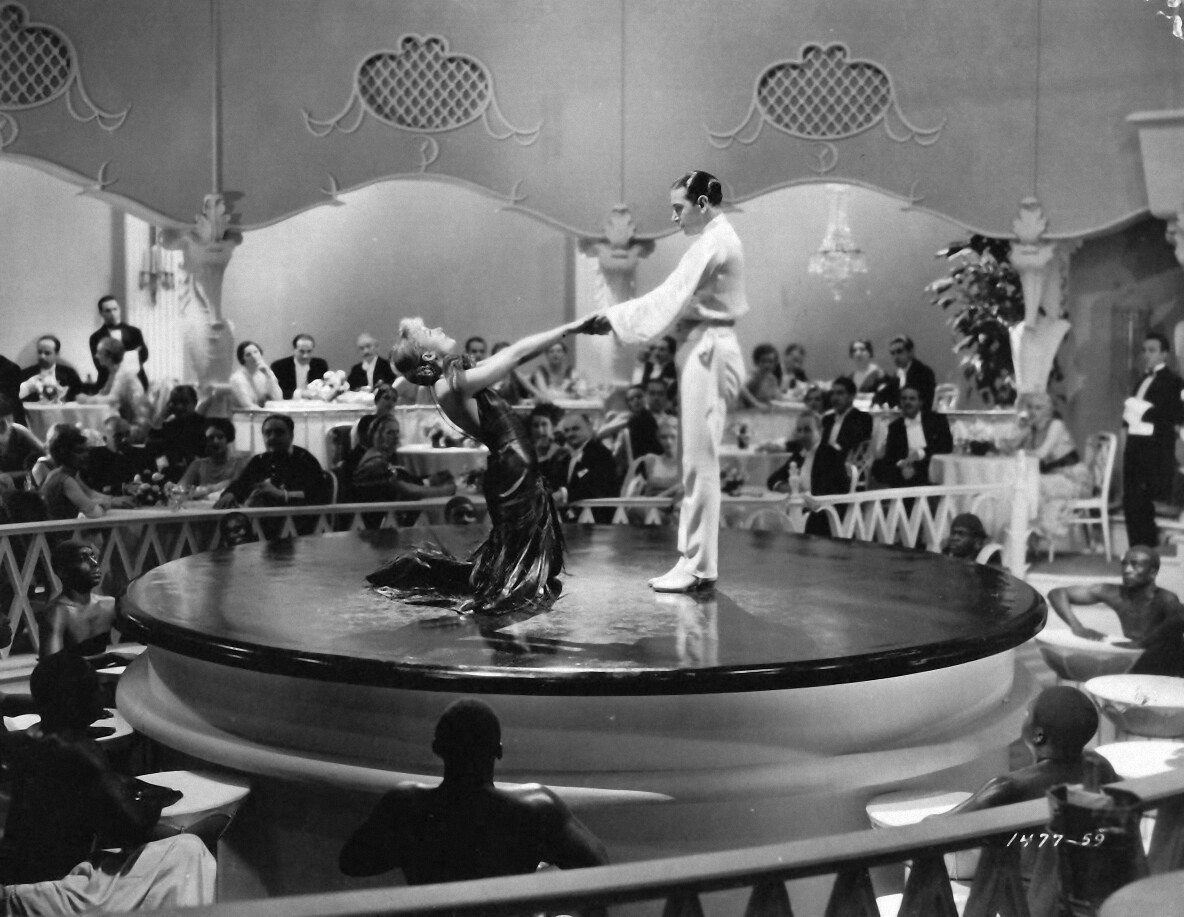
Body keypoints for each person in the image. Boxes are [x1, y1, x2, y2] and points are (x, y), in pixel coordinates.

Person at [373, 315, 599, 612]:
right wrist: (570, 328)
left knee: (517, 548)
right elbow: (515, 355)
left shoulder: (453, 379)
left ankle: (500, 587)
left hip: (513, 463)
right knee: (518, 552)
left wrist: (569, 330)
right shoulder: (454, 383)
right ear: (427, 355)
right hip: (514, 464)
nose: (438, 328)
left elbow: (514, 353)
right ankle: (498, 594)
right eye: (429, 330)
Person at [590, 170, 747, 593]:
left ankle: (697, 564)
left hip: (708, 348)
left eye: (679, 207)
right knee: (696, 461)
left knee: (699, 462)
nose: (674, 217)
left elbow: (669, 295)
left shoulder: (714, 242)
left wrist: (614, 317)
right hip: (704, 345)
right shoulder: (714, 240)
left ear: (702, 204)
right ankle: (696, 561)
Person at [0, 653, 216, 909]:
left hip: (16, 887)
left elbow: (80, 785)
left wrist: (125, 783)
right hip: (51, 896)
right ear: (72, 702)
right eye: (94, 687)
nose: (103, 692)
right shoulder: (80, 751)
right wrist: (157, 798)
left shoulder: (26, 741)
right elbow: (134, 825)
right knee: (188, 849)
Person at [339, 698, 607, 885]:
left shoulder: (406, 805)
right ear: (499, 751)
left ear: (437, 748)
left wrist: (417, 848)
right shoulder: (536, 808)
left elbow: (352, 863)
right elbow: (597, 865)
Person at [937, 686, 1117, 816]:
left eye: (1026, 714)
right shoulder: (1099, 766)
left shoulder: (1006, 787)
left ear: (1038, 735)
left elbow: (938, 827)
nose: (1023, 718)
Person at [1048, 546, 1184, 676]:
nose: (1127, 570)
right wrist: (1077, 627)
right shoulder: (1114, 593)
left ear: (1152, 573)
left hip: (1169, 668)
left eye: (1135, 565)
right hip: (1137, 662)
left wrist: (1142, 643)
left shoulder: (1165, 598)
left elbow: (1179, 619)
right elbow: (1057, 593)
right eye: (1124, 564)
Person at [1122, 332, 1183, 548]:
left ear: (1164, 354)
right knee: (1131, 500)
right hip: (1135, 445)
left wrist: (1145, 412)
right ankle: (1135, 548)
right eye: (1144, 350)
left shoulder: (1174, 382)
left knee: (1145, 502)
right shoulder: (1141, 380)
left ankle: (1148, 550)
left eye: (1152, 350)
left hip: (1154, 448)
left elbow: (1174, 415)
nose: (1147, 355)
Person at [1008, 392, 1092, 543]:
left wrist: (1020, 451)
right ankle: (1023, 535)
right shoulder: (1032, 428)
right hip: (1053, 478)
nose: (1033, 411)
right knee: (1019, 485)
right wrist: (1020, 428)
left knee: (1027, 486)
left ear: (1047, 410)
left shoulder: (1056, 425)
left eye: (1038, 408)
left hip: (1074, 479)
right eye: (1030, 407)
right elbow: (1010, 447)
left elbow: (1041, 453)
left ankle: (1029, 534)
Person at [36, 540, 135, 668]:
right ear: (62, 571)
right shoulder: (57, 612)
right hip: (70, 679)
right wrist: (108, 658)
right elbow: (51, 664)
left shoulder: (108, 604)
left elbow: (141, 634)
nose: (94, 563)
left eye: (93, 557)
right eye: (83, 559)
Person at [214, 413, 326, 509]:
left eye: (279, 433)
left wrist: (281, 494)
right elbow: (242, 483)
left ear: (291, 435)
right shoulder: (259, 460)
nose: (272, 437)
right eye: (268, 433)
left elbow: (317, 494)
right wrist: (231, 493)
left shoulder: (305, 460)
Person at [766, 413, 849, 536]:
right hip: (799, 510)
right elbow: (772, 479)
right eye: (799, 430)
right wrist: (784, 487)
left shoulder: (831, 454)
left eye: (807, 430)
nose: (802, 435)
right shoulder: (799, 454)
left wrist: (801, 496)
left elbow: (830, 491)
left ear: (820, 431)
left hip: (823, 516)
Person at [351, 415, 457, 502]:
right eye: (390, 433)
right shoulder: (375, 463)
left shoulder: (380, 458)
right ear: (376, 436)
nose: (396, 437)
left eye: (397, 432)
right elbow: (409, 492)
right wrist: (447, 490)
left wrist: (429, 481)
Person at [39, 426, 134, 520]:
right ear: (64, 454)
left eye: (86, 450)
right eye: (79, 451)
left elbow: (91, 494)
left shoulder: (70, 474)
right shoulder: (65, 480)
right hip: (63, 530)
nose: (86, 455)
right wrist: (108, 503)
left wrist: (116, 500)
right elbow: (94, 512)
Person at [871, 385, 953, 487]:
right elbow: (891, 455)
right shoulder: (895, 427)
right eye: (904, 399)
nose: (907, 402)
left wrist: (920, 453)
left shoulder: (936, 420)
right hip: (905, 469)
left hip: (930, 466)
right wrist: (901, 466)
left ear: (920, 402)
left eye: (912, 399)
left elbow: (946, 445)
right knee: (877, 466)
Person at [555, 412, 619, 524]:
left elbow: (594, 486)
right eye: (566, 431)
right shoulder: (566, 459)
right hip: (574, 522)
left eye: (575, 429)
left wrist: (563, 494)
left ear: (589, 427)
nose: (570, 434)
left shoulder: (601, 454)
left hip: (600, 522)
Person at [77, 338, 147, 431]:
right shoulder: (113, 373)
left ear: (108, 356)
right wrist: (90, 398)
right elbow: (104, 394)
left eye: (99, 352)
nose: (96, 356)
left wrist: (88, 400)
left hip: (135, 425)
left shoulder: (124, 374)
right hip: (126, 418)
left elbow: (113, 399)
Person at [177, 418, 250, 498]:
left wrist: (206, 490)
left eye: (220, 437)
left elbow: (236, 487)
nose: (215, 441)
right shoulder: (198, 464)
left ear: (228, 439)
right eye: (211, 438)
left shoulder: (239, 463)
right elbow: (179, 489)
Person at [88, 295, 148, 392]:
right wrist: (132, 354)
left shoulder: (134, 332)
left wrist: (113, 358)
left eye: (115, 309)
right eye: (108, 311)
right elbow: (99, 364)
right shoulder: (96, 337)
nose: (112, 313)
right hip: (108, 383)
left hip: (136, 381)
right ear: (101, 313)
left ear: (119, 309)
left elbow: (144, 356)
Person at [148, 384, 208, 480]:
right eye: (175, 402)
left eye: (184, 402)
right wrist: (162, 415)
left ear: (194, 403)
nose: (179, 407)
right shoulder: (169, 426)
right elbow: (151, 447)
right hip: (171, 477)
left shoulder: (205, 426)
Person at [85, 416, 152, 497]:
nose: (125, 439)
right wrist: (123, 488)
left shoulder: (142, 454)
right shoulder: (95, 457)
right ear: (105, 439)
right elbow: (94, 488)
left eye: (127, 434)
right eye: (118, 436)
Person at [595, 384, 661, 464]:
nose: (636, 400)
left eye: (639, 396)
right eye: (631, 399)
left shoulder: (648, 418)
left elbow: (601, 434)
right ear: (628, 404)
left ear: (646, 397)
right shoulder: (628, 416)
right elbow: (601, 433)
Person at [873, 335, 937, 410]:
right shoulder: (898, 374)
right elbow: (881, 395)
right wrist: (878, 403)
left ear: (911, 352)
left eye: (899, 351)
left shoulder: (924, 372)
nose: (896, 357)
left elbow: (923, 402)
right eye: (893, 353)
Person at [820, 376, 872, 460]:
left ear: (851, 396)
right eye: (833, 393)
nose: (835, 398)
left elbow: (856, 447)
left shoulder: (862, 419)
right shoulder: (827, 419)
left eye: (840, 393)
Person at [19, 334, 82, 403]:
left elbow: (78, 399)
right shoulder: (25, 374)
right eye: (40, 352)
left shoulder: (70, 374)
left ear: (57, 354)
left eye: (47, 353)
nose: (42, 356)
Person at [0, 395, 44, 485]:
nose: (7, 425)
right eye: (1, 423)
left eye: (9, 420)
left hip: (25, 481)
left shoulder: (17, 430)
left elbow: (44, 450)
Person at [270, 333, 330, 399]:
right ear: (294, 349)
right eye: (302, 351)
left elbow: (325, 388)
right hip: (289, 402)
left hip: (314, 402)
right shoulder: (279, 366)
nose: (305, 356)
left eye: (309, 351)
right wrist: (301, 394)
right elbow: (277, 392)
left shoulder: (320, 365)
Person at [228, 340, 283, 410]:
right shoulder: (237, 379)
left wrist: (269, 376)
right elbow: (248, 406)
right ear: (242, 359)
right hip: (244, 415)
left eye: (256, 352)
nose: (254, 356)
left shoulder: (266, 373)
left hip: (263, 413)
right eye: (248, 355)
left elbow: (278, 399)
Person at [530, 405, 570, 494]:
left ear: (553, 427)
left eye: (544, 424)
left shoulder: (562, 455)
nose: (540, 430)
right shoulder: (526, 454)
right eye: (535, 426)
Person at [354, 382, 398, 451]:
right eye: (386, 398)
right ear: (377, 400)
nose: (390, 402)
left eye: (394, 400)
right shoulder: (365, 421)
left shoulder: (394, 423)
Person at [739, 343, 782, 410]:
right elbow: (740, 386)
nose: (767, 365)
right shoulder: (753, 376)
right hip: (748, 411)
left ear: (775, 364)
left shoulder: (772, 379)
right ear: (756, 362)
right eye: (763, 361)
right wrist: (756, 403)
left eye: (770, 361)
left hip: (763, 412)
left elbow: (778, 397)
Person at [638, 335, 679, 403]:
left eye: (662, 349)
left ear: (671, 354)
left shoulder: (673, 372)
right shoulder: (650, 367)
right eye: (656, 349)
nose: (656, 352)